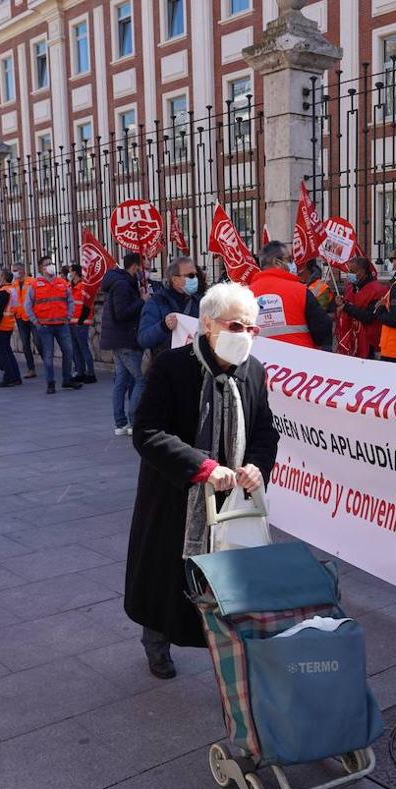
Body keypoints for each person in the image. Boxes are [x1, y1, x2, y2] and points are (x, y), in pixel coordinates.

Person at [125, 282, 280, 679]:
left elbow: (266, 430)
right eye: (236, 326)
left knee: (229, 581)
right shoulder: (172, 367)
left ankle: (228, 653)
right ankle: (156, 644)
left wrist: (257, 466)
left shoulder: (254, 371)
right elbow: (148, 432)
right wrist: (203, 467)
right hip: (176, 495)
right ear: (208, 326)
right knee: (165, 576)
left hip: (231, 500)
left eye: (252, 329)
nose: (245, 336)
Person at [247, 242, 333, 349]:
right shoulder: (300, 291)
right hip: (299, 361)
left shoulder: (245, 296)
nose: (293, 264)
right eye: (289, 260)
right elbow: (322, 330)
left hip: (261, 362)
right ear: (277, 262)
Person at [101, 252, 147, 436]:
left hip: (120, 339)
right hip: (125, 340)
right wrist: (141, 302)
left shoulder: (123, 282)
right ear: (135, 267)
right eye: (144, 267)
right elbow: (121, 313)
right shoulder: (122, 284)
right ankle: (132, 421)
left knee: (122, 380)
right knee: (140, 379)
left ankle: (121, 424)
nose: (146, 271)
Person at [25, 255, 82, 394]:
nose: (50, 265)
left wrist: (68, 316)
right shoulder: (34, 285)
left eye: (51, 263)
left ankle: (67, 379)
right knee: (48, 356)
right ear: (41, 268)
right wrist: (35, 321)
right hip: (45, 326)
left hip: (62, 325)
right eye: (47, 264)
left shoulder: (62, 283)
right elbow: (27, 305)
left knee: (68, 352)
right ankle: (50, 383)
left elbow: (70, 301)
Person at [138, 257, 201, 360]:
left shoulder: (198, 302)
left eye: (195, 275)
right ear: (175, 279)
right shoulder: (157, 302)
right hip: (165, 366)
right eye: (190, 276)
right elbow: (143, 339)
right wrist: (163, 326)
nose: (195, 279)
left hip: (193, 365)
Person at [335, 257, 386, 358]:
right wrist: (341, 303)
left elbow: (369, 317)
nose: (349, 274)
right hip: (352, 340)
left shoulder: (377, 290)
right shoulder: (351, 287)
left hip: (369, 343)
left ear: (362, 272)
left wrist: (346, 307)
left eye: (352, 271)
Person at [0, 270, 23, 387]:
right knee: (8, 352)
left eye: (0, 277)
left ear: (3, 278)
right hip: (9, 324)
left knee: (3, 353)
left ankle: (9, 377)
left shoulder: (3, 292)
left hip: (1, 325)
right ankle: (16, 376)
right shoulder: (12, 290)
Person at [69, 264, 98, 383]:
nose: (69, 273)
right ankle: (80, 372)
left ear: (75, 272)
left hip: (81, 322)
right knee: (75, 349)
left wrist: (80, 321)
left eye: (70, 271)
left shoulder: (83, 287)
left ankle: (91, 373)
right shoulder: (70, 286)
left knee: (83, 348)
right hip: (71, 322)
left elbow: (87, 305)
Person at [12, 262, 38, 378]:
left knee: (38, 342)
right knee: (25, 344)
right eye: (13, 270)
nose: (14, 272)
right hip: (20, 317)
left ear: (22, 270)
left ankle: (48, 364)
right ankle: (31, 369)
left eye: (15, 270)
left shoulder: (32, 282)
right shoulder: (14, 284)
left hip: (32, 317)